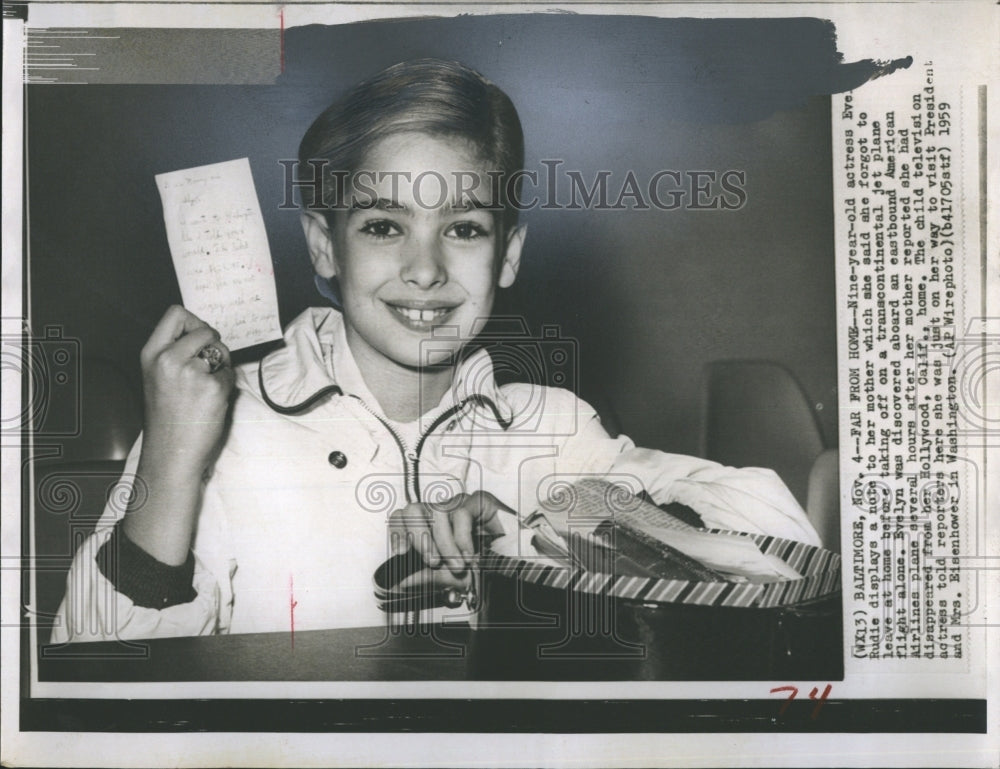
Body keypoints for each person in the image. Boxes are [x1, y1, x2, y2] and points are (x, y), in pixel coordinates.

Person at [51, 59, 820, 644]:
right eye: (383, 226)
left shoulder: (550, 423)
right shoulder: (223, 426)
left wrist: (531, 526)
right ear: (326, 246)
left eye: (463, 228)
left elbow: (784, 537)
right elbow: (90, 671)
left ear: (508, 254)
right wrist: (171, 466)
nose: (425, 269)